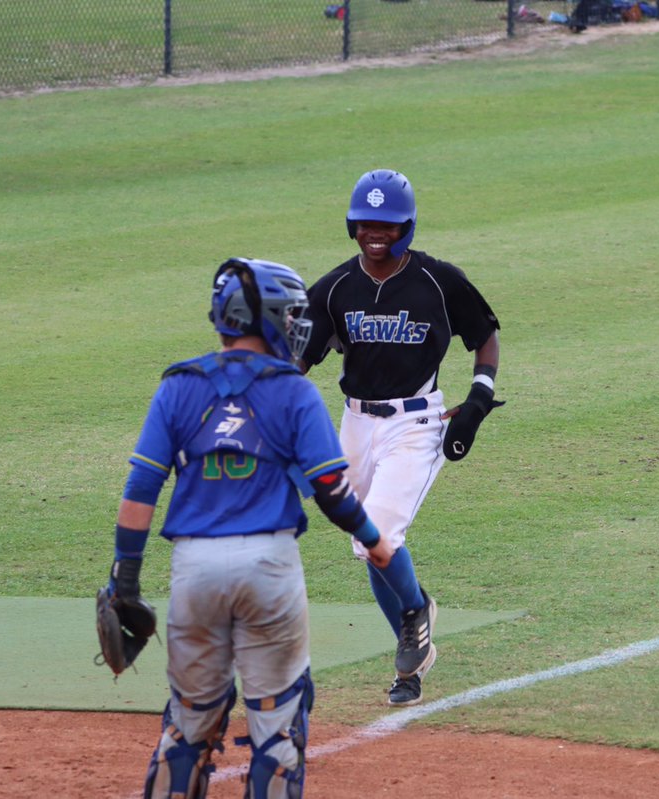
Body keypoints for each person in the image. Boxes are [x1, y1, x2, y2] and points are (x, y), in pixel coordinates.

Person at [103, 257, 394, 799]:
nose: (295, 326)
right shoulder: (294, 391)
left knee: (186, 728)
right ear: (263, 319)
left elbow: (141, 490)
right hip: (269, 567)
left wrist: (126, 579)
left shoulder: (179, 387)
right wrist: (375, 542)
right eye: (288, 315)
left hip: (194, 570)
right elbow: (331, 490)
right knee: (277, 732)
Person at [301, 169, 503, 707]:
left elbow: (484, 334)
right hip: (354, 425)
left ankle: (415, 612)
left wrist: (479, 399)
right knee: (371, 551)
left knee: (382, 534)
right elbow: (296, 359)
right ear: (352, 224)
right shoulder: (335, 288)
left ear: (406, 227)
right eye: (367, 223)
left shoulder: (438, 281)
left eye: (387, 225)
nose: (376, 233)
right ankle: (411, 666)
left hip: (415, 425)